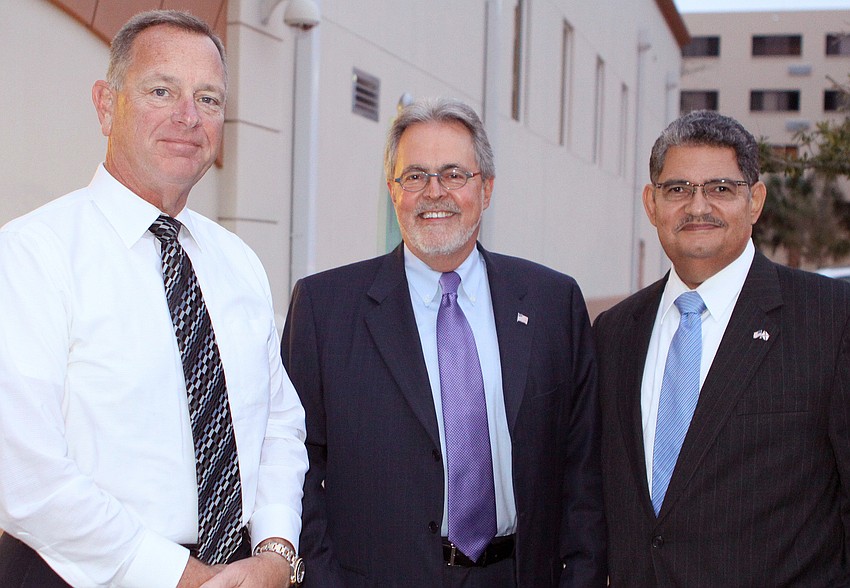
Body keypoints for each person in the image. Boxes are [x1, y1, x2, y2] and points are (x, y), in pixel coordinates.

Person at [0, 10, 308, 588]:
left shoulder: (237, 263)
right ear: (104, 104)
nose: (188, 117)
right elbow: (26, 475)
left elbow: (278, 428)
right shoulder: (31, 255)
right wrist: (179, 576)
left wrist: (275, 553)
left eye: (209, 99)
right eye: (161, 90)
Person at [280, 97, 606, 587]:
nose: (435, 193)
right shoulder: (325, 309)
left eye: (455, 174)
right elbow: (294, 464)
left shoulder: (553, 304)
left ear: (487, 188)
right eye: (414, 176)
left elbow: (582, 471)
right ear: (393, 191)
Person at [594, 109, 850, 586]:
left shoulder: (831, 318)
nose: (697, 206)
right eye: (678, 189)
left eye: (720, 188)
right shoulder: (613, 333)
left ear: (755, 201)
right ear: (651, 204)